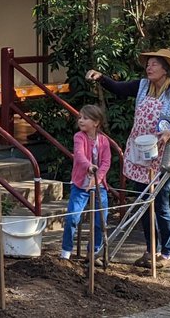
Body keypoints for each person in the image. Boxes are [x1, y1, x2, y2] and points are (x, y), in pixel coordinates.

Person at [86, 48, 170, 269]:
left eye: (154, 64)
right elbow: (119, 88)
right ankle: (150, 250)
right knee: (142, 205)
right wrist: (101, 77)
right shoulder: (143, 86)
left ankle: (168, 252)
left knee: (161, 204)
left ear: (166, 69)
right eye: (148, 64)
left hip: (163, 157)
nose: (149, 67)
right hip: (140, 155)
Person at [60, 104, 111, 261]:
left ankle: (93, 252)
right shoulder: (79, 137)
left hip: (98, 185)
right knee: (72, 218)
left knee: (100, 221)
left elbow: (106, 162)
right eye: (80, 117)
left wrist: (98, 177)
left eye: (85, 118)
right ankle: (65, 252)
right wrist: (89, 167)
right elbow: (79, 155)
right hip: (80, 184)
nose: (81, 120)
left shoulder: (104, 141)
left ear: (96, 122)